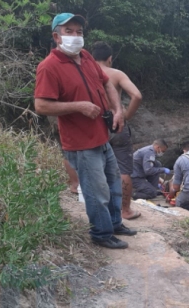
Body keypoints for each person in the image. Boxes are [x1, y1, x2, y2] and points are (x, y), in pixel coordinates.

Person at [34, 13, 137, 249]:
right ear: (56, 36)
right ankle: (101, 234)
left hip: (102, 136)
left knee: (112, 183)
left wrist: (118, 110)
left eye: (79, 32)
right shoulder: (48, 67)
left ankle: (114, 223)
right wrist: (78, 106)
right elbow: (41, 105)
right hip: (80, 142)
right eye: (68, 31)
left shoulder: (86, 56)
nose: (75, 36)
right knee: (96, 190)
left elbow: (107, 83)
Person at [92, 41, 143, 220]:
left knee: (95, 167)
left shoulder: (86, 73)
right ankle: (125, 210)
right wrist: (126, 115)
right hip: (116, 125)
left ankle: (100, 209)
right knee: (123, 170)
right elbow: (136, 95)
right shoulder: (116, 74)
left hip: (94, 126)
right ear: (110, 59)